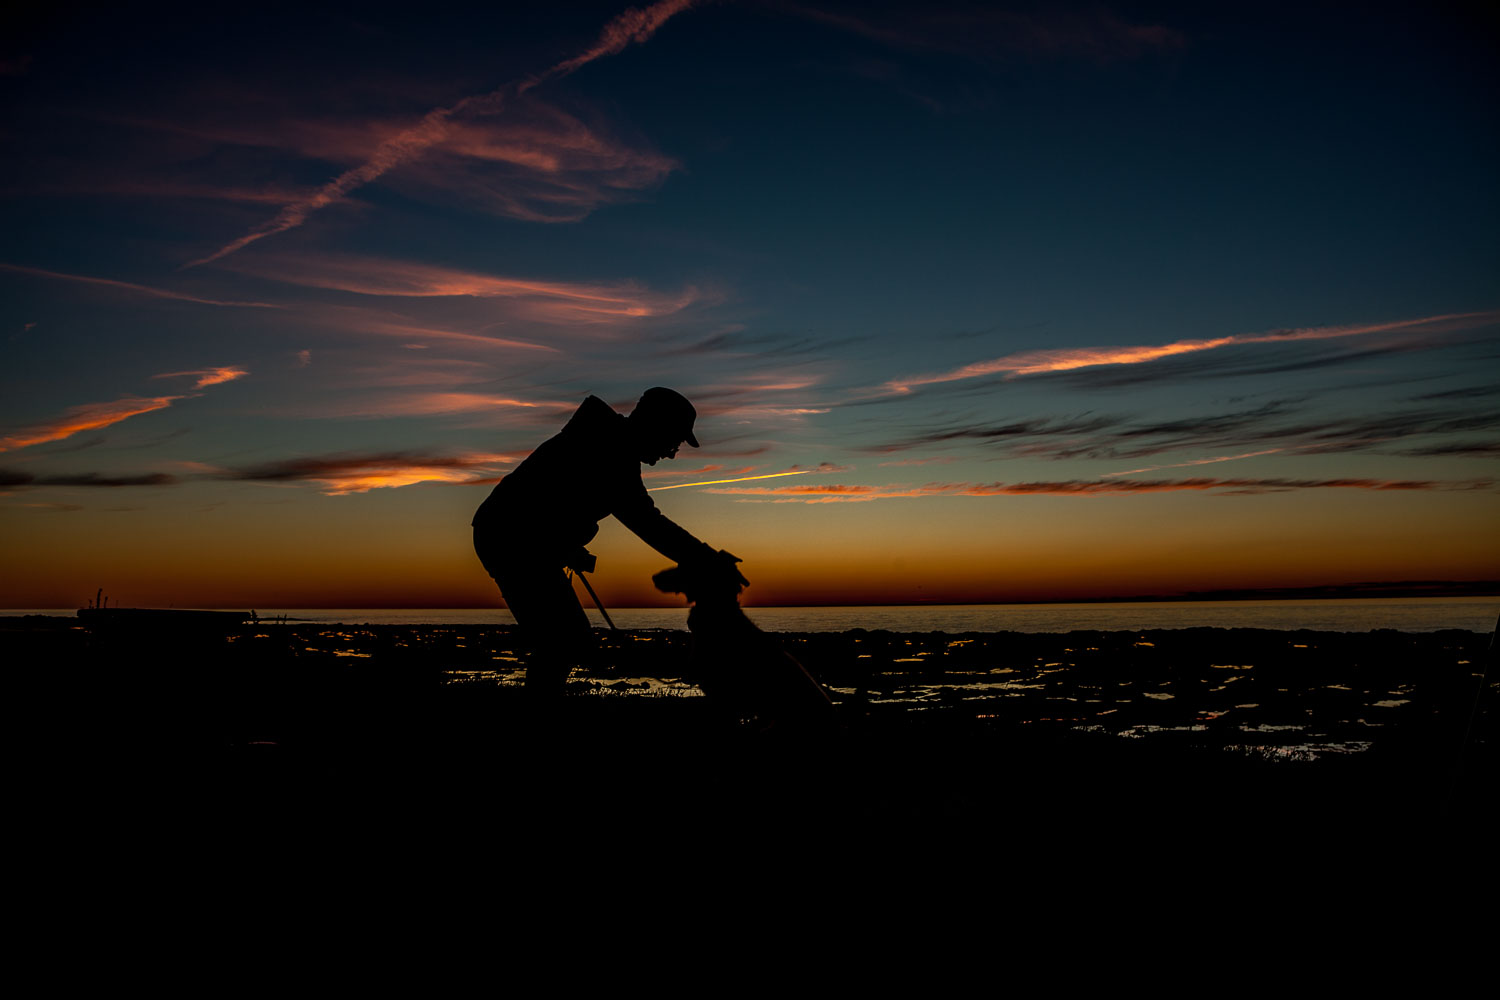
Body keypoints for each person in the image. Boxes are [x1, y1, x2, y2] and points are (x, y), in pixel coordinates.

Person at [473, 387, 744, 694]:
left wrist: (564, 546)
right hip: (509, 541)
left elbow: (551, 501)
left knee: (566, 641)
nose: (671, 452)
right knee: (563, 641)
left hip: (517, 539)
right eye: (675, 441)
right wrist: (710, 559)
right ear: (657, 426)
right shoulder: (612, 453)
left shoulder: (608, 443)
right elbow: (650, 524)